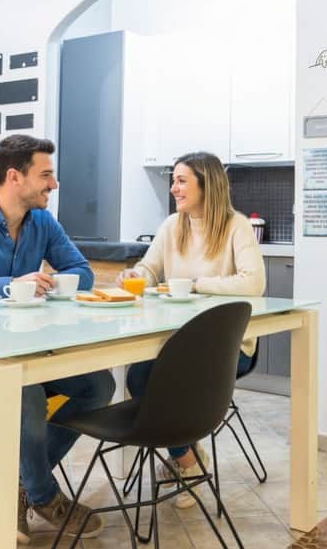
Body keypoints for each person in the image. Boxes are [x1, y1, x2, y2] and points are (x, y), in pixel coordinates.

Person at [0, 134, 113, 543]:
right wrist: (11, 285)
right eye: (46, 175)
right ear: (15, 177)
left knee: (99, 385)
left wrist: (52, 284)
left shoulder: (42, 223)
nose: (54, 184)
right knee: (25, 393)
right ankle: (44, 495)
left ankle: (16, 485)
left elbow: (82, 272)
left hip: (21, 350)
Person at [118, 151, 266, 508]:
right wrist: (135, 275)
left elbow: (254, 283)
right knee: (139, 377)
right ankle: (188, 459)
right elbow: (149, 270)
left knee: (165, 380)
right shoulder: (173, 225)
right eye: (173, 181)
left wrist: (195, 284)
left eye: (181, 181)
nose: (173, 188)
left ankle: (183, 461)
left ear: (206, 185)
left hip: (227, 347)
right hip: (175, 341)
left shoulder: (236, 226)